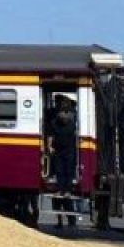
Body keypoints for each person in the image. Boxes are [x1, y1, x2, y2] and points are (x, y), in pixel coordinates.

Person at [47, 97, 78, 229]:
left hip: (68, 150)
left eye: (67, 112)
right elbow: (50, 135)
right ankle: (63, 190)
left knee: (67, 171)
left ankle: (66, 190)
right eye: (63, 112)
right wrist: (49, 146)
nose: (65, 115)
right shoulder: (56, 123)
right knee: (62, 171)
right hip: (61, 150)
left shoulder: (71, 122)